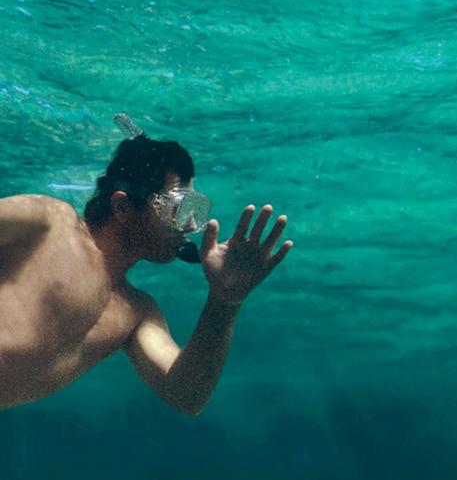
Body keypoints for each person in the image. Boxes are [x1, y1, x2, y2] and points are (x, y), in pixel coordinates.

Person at [0, 118, 292, 415]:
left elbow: (187, 395)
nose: (190, 226)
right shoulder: (50, 222)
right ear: (123, 207)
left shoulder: (136, 313)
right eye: (178, 209)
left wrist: (226, 299)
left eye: (195, 210)